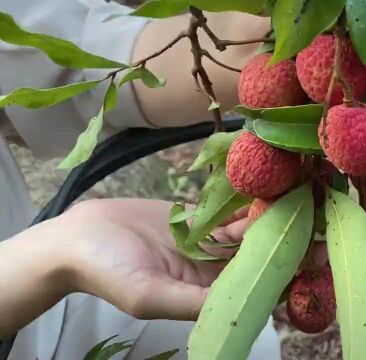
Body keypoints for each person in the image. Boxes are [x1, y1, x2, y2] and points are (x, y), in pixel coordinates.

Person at [0, 1, 277, 359]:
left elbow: (80, 56)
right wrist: (50, 258)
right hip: (45, 269)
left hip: (59, 308)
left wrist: (269, 43)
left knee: (243, 340)